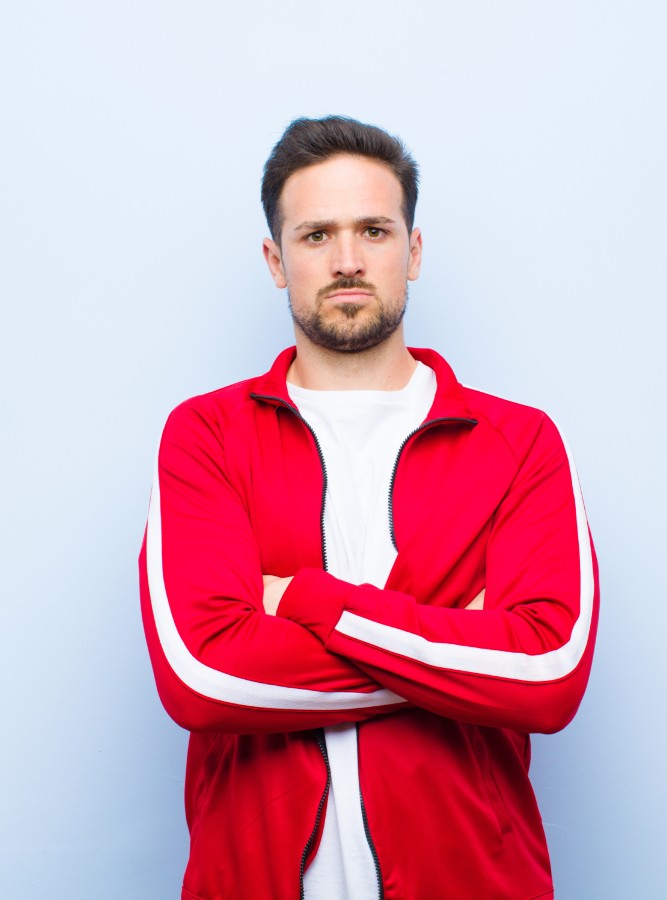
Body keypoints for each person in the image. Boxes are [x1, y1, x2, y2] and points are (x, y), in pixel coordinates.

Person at [137, 115, 599, 900]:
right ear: (275, 261)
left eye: (374, 231)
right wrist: (463, 650)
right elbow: (204, 677)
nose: (348, 261)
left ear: (413, 252)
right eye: (316, 235)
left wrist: (301, 602)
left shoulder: (518, 443)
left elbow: (547, 675)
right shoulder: (206, 436)